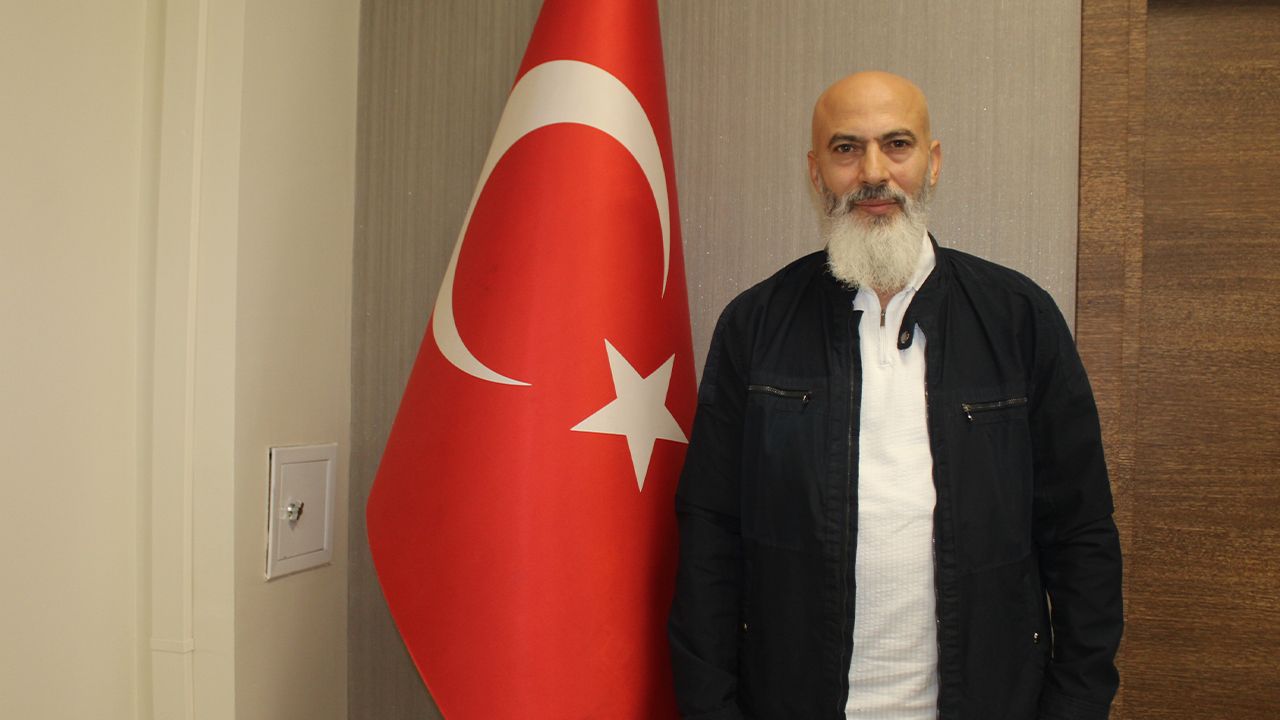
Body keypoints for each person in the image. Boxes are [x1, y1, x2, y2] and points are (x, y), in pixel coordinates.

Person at [668, 71, 1123, 719]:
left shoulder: (1018, 318)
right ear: (816, 172)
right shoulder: (756, 324)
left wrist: (1075, 704)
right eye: (846, 148)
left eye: (897, 145)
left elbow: (1081, 532)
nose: (874, 172)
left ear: (932, 162)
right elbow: (709, 537)